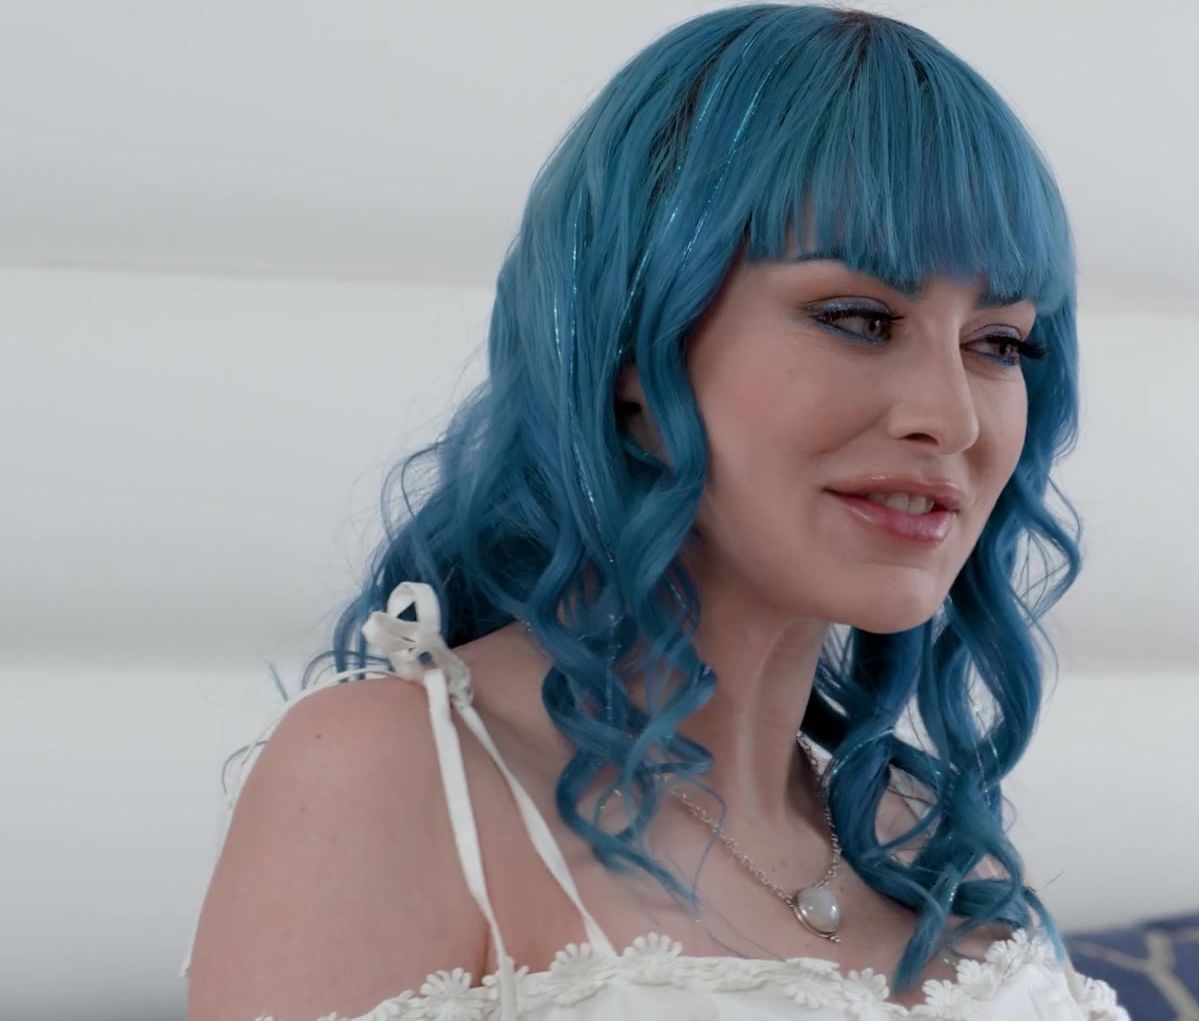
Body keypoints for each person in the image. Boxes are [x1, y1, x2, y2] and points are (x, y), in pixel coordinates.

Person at [179, 4, 1127, 1018]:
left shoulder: (922, 842)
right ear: (635, 342)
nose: (952, 417)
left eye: (999, 344)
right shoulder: (399, 775)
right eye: (860, 319)